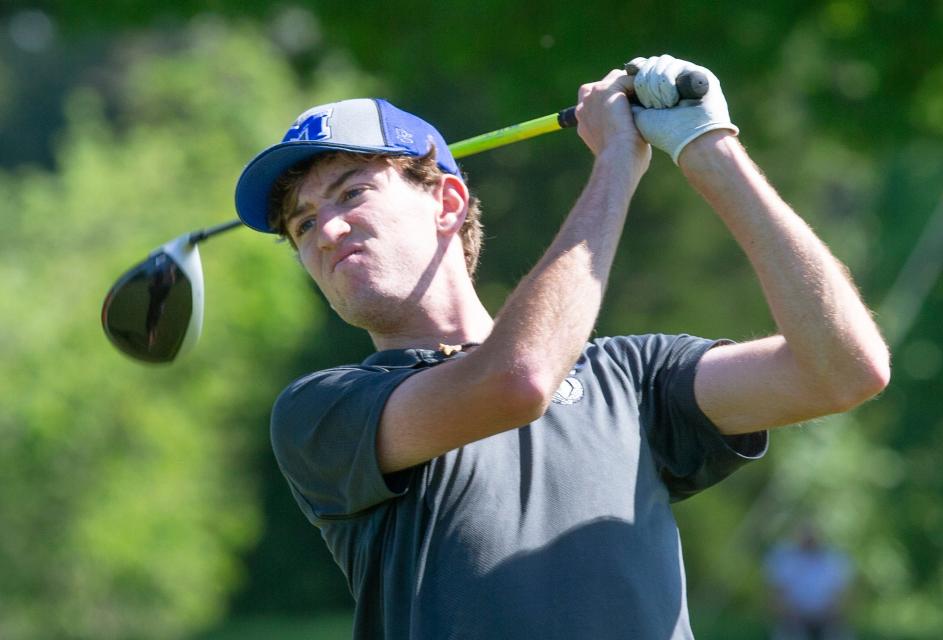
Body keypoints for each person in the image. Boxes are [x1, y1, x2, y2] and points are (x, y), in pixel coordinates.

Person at [234, 55, 889, 639]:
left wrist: (707, 147)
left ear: (448, 202)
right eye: (303, 223)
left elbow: (843, 370)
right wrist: (613, 164)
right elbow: (520, 380)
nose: (327, 229)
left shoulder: (632, 380)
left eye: (352, 192)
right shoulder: (322, 412)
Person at [765, 522, 855, 640]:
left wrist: (831, 613)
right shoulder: (784, 559)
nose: (809, 539)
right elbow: (776, 594)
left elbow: (844, 594)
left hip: (828, 619)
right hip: (793, 619)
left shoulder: (834, 560)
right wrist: (790, 614)